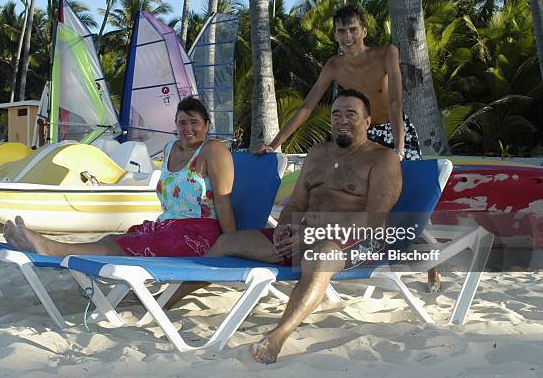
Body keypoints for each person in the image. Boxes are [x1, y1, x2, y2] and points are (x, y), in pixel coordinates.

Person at [167, 89, 403, 363]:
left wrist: (313, 233)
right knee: (227, 243)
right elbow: (296, 203)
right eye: (336, 114)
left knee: (319, 256)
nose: (343, 120)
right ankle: (167, 301)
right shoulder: (318, 154)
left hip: (357, 241)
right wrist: (285, 227)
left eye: (352, 114)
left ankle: (278, 335)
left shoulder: (382, 159)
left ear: (367, 121)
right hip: (303, 235)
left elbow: (374, 218)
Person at [4, 96, 235, 257]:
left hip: (197, 233)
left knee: (126, 247)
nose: (188, 129)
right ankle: (42, 244)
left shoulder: (212, 150)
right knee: (113, 240)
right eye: (182, 123)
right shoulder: (170, 149)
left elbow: (223, 201)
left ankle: (52, 248)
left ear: (207, 124)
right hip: (167, 227)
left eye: (195, 123)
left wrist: (233, 245)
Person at [256, 4, 421, 161]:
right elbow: (307, 107)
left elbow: (394, 103)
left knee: (408, 183)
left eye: (353, 30)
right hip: (361, 134)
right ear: (335, 35)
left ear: (364, 31)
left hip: (395, 130)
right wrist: (273, 145)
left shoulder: (387, 53)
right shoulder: (334, 66)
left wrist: (399, 150)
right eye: (341, 31)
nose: (347, 37)